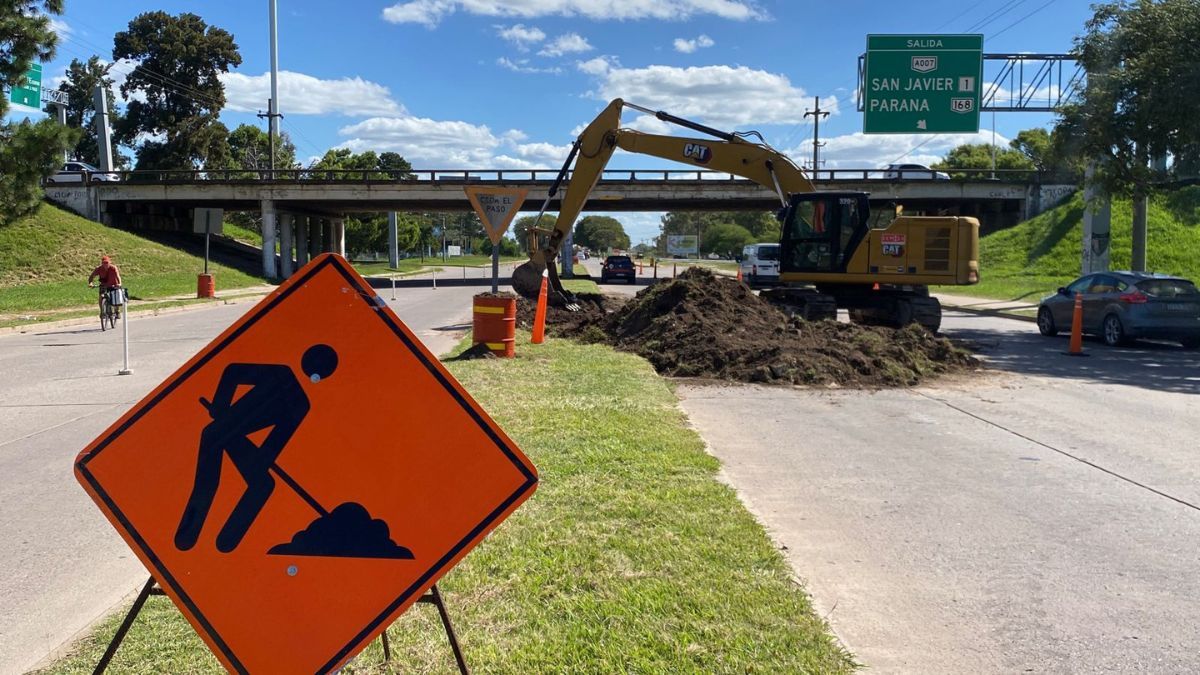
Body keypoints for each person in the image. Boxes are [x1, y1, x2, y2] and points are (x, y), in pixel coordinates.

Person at [174, 344, 339, 553]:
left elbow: (276, 440)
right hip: (221, 429)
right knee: (210, 476)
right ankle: (188, 533)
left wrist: (261, 459)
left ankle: (226, 542)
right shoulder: (281, 376)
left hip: (229, 432)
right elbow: (233, 372)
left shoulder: (300, 403)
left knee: (263, 484)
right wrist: (221, 404)